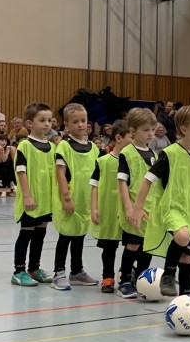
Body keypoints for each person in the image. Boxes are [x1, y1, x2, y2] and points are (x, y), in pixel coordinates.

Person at [132, 104, 190, 296]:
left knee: (188, 257)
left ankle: (185, 297)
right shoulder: (169, 154)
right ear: (184, 129)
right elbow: (147, 180)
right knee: (182, 236)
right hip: (171, 208)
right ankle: (168, 273)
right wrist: (138, 208)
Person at [51, 103, 99, 291]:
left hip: (85, 200)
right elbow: (60, 173)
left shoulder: (93, 148)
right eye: (75, 121)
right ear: (66, 124)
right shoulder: (64, 146)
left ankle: (77, 271)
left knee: (79, 235)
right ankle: (58, 273)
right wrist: (66, 197)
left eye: (83, 120)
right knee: (66, 236)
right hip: (70, 199)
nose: (80, 125)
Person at [12, 103, 57, 287]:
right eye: (42, 120)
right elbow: (21, 171)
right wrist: (27, 195)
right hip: (30, 199)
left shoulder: (52, 147)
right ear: (30, 123)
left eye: (49, 120)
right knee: (26, 234)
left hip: (46, 200)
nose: (47, 124)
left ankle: (34, 268)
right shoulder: (25, 145)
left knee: (40, 234)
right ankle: (18, 271)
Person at [116, 108, 158, 298]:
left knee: (147, 245)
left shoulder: (154, 154)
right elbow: (122, 182)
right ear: (133, 131)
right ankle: (124, 281)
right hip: (134, 208)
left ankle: (141, 279)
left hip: (150, 210)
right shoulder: (127, 153)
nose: (150, 134)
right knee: (132, 245)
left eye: (152, 129)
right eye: (146, 130)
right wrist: (129, 208)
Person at [90, 120, 129, 294]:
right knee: (109, 247)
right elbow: (94, 186)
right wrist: (94, 208)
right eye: (131, 137)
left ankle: (127, 273)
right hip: (109, 211)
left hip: (128, 211)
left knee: (132, 244)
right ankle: (108, 277)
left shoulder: (133, 160)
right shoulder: (103, 161)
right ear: (119, 138)